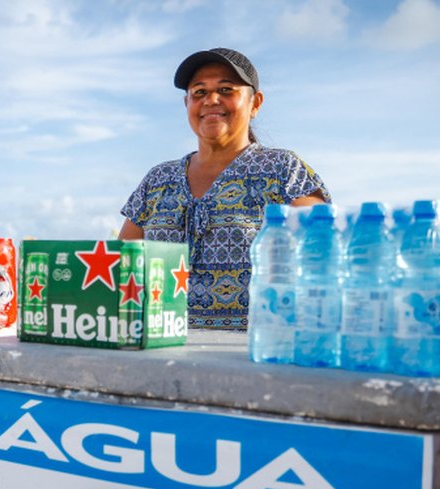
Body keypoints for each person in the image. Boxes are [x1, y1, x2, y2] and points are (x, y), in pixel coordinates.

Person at [119, 47, 330, 330]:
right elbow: (120, 267)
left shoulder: (283, 170)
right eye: (199, 92)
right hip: (160, 350)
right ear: (187, 104)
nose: (211, 100)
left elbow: (325, 258)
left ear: (255, 103)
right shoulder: (158, 179)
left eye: (226, 89)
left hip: (254, 354)